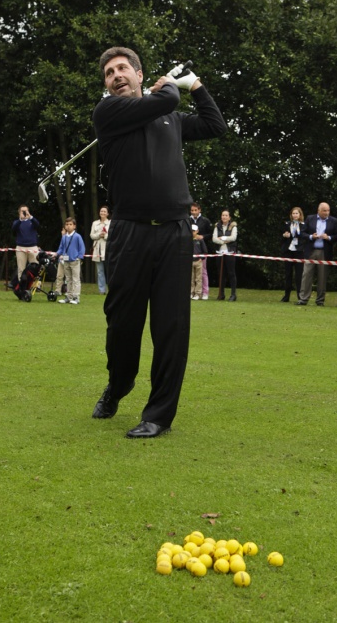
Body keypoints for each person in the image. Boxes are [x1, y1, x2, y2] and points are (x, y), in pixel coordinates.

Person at [91, 46, 226, 438]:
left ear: (138, 73)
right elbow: (166, 96)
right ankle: (118, 385)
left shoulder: (171, 116)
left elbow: (215, 125)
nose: (116, 75)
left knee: (171, 326)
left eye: (123, 69)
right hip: (129, 232)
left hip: (174, 231)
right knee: (122, 325)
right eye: (109, 72)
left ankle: (158, 414)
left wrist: (196, 85)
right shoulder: (108, 113)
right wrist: (170, 85)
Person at [296, 202, 337, 306]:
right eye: (324, 210)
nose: (327, 213)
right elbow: (302, 233)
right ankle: (303, 299)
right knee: (306, 275)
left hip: (324, 252)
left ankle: (320, 300)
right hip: (310, 251)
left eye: (328, 210)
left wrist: (328, 237)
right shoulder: (310, 219)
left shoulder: (334, 221)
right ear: (318, 211)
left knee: (322, 276)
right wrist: (311, 236)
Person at [56, 217, 85, 305]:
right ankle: (68, 296)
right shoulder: (64, 237)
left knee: (76, 279)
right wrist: (57, 254)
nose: (68, 226)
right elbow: (61, 248)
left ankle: (76, 297)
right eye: (67, 224)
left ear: (74, 226)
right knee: (68, 279)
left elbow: (82, 248)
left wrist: (79, 257)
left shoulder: (77, 236)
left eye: (70, 224)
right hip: (66, 260)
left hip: (75, 261)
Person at [280, 207, 305, 302]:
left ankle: (300, 296)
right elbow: (282, 237)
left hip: (299, 252)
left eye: (296, 213)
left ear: (300, 215)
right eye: (293, 213)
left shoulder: (304, 225)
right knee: (288, 274)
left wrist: (292, 235)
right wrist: (284, 235)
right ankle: (286, 296)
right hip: (288, 251)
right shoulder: (287, 224)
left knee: (299, 275)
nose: (295, 215)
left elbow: (303, 236)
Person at [212, 209, 238, 302]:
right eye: (223, 215)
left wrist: (222, 238)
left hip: (230, 252)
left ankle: (233, 295)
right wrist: (224, 240)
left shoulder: (233, 226)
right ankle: (221, 294)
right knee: (221, 274)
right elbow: (214, 239)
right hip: (219, 253)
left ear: (229, 217)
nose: (224, 217)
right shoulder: (217, 226)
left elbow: (234, 237)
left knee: (231, 273)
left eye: (226, 215)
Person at [190, 203, 212, 300]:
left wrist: (202, 237)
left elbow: (211, 234)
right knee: (191, 275)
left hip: (201, 250)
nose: (194, 212)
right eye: (192, 210)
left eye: (195, 210)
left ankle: (205, 292)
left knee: (203, 273)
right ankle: (192, 292)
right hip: (190, 252)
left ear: (199, 210)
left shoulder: (205, 221)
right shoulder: (187, 220)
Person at [12, 205, 40, 279]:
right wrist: (20, 219)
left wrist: (30, 217)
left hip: (33, 246)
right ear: (19, 213)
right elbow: (14, 228)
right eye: (22, 211)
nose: (24, 212)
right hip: (21, 247)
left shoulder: (32, 221)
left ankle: (36, 285)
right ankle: (21, 286)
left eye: (26, 211)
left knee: (35, 267)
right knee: (21, 268)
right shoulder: (17, 222)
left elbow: (37, 224)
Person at [90, 205, 111, 295]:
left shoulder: (110, 223)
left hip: (107, 249)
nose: (102, 213)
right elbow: (92, 235)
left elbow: (112, 236)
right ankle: (102, 290)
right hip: (97, 250)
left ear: (107, 213)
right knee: (100, 271)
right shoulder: (95, 223)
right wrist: (99, 235)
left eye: (104, 211)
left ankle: (111, 289)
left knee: (109, 270)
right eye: (101, 211)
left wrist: (105, 236)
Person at [191, 223, 208, 300]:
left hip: (198, 261)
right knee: (191, 278)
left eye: (193, 231)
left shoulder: (200, 240)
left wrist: (201, 258)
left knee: (198, 278)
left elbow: (204, 251)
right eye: (191, 231)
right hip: (190, 261)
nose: (192, 232)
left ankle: (198, 293)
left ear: (197, 231)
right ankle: (191, 292)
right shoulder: (187, 240)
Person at [54, 227, 66, 297]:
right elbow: (60, 249)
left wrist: (64, 256)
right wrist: (56, 254)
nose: (62, 232)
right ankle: (58, 290)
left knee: (69, 277)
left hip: (69, 260)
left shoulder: (72, 238)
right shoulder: (63, 239)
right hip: (61, 260)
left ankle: (70, 292)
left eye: (63, 230)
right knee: (59, 275)